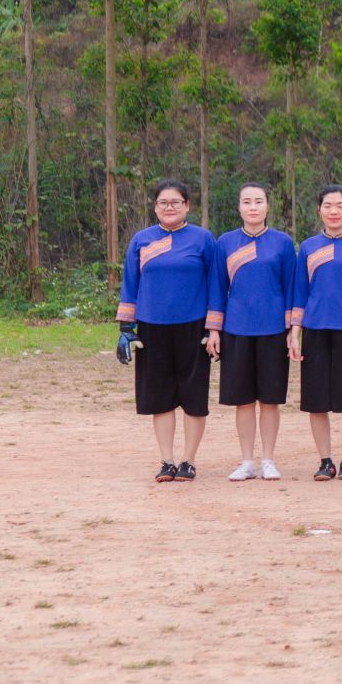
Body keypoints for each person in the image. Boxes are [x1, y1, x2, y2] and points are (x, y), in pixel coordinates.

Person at [117, 179, 223, 483]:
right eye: (163, 202)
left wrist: (214, 328)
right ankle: (167, 460)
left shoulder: (203, 239)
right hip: (152, 328)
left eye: (176, 202)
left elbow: (215, 284)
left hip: (194, 326)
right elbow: (130, 283)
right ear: (155, 207)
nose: (169, 207)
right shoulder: (141, 240)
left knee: (194, 395)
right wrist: (126, 328)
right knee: (159, 395)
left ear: (187, 206)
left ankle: (189, 460)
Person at [289, 185, 342, 481]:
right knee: (316, 400)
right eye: (328, 206)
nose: (334, 211)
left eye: (340, 206)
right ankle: (325, 460)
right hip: (315, 330)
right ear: (319, 210)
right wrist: (295, 333)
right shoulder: (308, 247)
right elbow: (300, 292)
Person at [215, 183, 295, 482]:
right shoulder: (225, 242)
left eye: (258, 201)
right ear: (238, 206)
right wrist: (214, 330)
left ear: (267, 206)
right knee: (244, 399)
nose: (253, 207)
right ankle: (247, 461)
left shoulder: (282, 243)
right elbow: (217, 288)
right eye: (247, 201)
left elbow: (291, 288)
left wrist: (292, 330)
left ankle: (268, 460)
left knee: (270, 399)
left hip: (273, 330)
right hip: (236, 329)